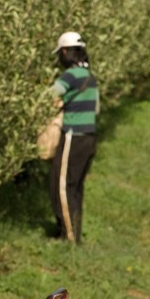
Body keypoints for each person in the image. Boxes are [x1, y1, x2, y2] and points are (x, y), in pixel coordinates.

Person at [48, 31, 99, 244]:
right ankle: (73, 233)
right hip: (89, 136)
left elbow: (50, 95)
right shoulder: (90, 77)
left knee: (60, 185)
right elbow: (95, 109)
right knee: (76, 186)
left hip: (73, 136)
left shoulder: (70, 76)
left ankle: (68, 237)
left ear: (66, 52)